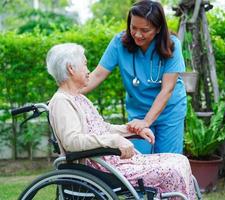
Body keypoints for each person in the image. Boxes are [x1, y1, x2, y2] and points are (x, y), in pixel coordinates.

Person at [46, 43, 196, 199]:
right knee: (172, 169)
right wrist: (114, 141)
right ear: (71, 69)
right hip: (102, 169)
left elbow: (103, 128)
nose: (88, 70)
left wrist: (132, 130)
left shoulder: (78, 98)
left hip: (112, 164)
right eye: (84, 65)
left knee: (179, 160)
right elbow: (72, 141)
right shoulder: (62, 102)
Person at [81, 0, 187, 154]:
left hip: (169, 112)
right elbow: (97, 75)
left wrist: (147, 122)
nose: (137, 34)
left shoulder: (172, 45)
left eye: (145, 30)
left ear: (158, 29)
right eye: (133, 27)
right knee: (138, 160)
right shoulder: (119, 43)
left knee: (168, 160)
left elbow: (167, 90)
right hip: (138, 113)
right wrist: (67, 93)